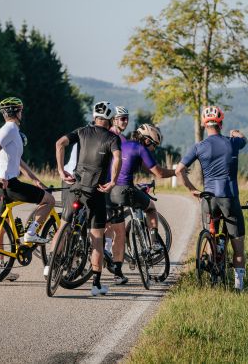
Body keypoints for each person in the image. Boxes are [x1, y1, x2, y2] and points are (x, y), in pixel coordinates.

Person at [48, 101, 122, 296]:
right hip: (95, 191)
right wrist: (113, 181)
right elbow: (118, 159)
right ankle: (96, 285)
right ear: (109, 119)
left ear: (95, 116)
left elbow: (59, 143)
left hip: (75, 186)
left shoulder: (81, 131)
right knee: (97, 237)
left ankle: (50, 264)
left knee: (64, 223)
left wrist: (60, 170)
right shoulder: (113, 138)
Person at [174, 106, 248, 291]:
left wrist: (192, 189)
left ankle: (212, 272)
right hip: (229, 197)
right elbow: (244, 140)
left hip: (209, 198)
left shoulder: (199, 147)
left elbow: (179, 170)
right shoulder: (232, 142)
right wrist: (237, 133)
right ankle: (239, 287)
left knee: (210, 234)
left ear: (204, 125)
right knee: (238, 246)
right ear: (221, 123)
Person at [0, 97, 56, 281]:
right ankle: (31, 233)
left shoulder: (13, 133)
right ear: (17, 112)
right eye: (21, 111)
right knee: (49, 200)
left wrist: (35, 181)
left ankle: (1, 268)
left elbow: (19, 163)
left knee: (2, 224)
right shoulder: (10, 129)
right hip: (7, 184)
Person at [109, 123, 176, 277]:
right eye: (154, 145)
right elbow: (158, 173)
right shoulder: (141, 148)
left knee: (115, 226)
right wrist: (176, 172)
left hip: (110, 190)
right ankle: (154, 243)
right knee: (151, 208)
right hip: (124, 189)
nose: (153, 149)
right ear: (147, 141)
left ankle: (116, 255)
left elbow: (145, 168)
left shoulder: (124, 144)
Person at [104, 106, 130, 284]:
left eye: (126, 118)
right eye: (121, 118)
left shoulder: (104, 135)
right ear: (113, 120)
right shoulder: (116, 138)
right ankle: (117, 272)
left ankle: (105, 251)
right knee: (119, 230)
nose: (125, 121)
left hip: (97, 185)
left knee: (104, 224)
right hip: (111, 187)